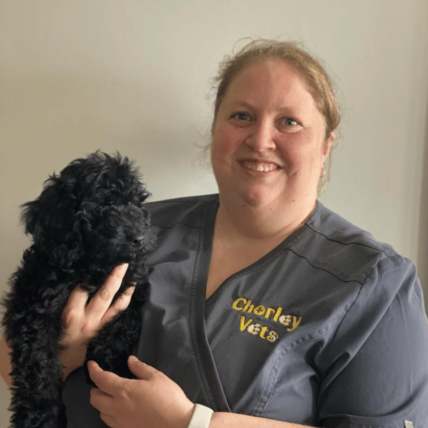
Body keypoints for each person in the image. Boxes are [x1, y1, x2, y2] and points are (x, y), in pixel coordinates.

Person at [1, 39, 428, 428]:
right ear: (215, 129)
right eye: (241, 116)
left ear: (326, 145)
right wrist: (60, 355)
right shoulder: (129, 229)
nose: (261, 139)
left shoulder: (375, 284)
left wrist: (192, 423)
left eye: (290, 122)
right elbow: (15, 345)